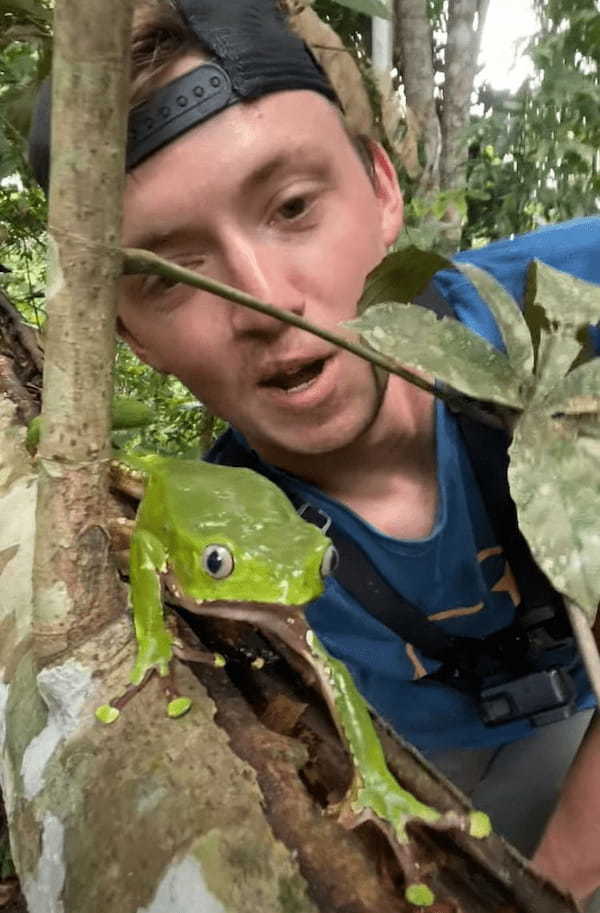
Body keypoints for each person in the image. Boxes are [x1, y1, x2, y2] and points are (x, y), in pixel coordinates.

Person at [28, 0, 600, 905]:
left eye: (292, 206)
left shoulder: (571, 298)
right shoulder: (216, 543)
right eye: (174, 274)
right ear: (128, 336)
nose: (264, 303)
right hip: (427, 770)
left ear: (381, 191)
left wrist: (565, 873)